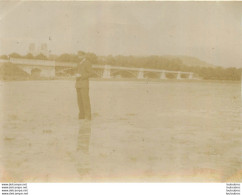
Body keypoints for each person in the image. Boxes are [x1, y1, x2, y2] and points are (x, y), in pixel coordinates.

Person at [75, 55, 93, 120]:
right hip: (78, 85)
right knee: (79, 101)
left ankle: (88, 116)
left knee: (85, 101)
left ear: (83, 56)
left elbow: (91, 73)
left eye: (79, 55)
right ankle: (81, 116)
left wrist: (81, 76)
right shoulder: (79, 63)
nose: (78, 57)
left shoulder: (87, 63)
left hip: (84, 85)